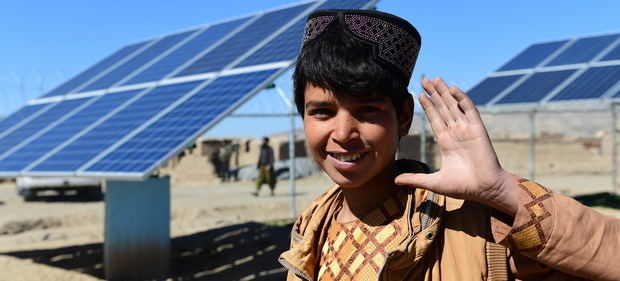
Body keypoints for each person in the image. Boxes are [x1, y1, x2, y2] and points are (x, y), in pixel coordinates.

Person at [279, 9, 620, 281]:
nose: (343, 133)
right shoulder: (312, 226)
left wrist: (503, 191)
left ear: (405, 117)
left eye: (367, 109)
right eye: (322, 112)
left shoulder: (476, 226)